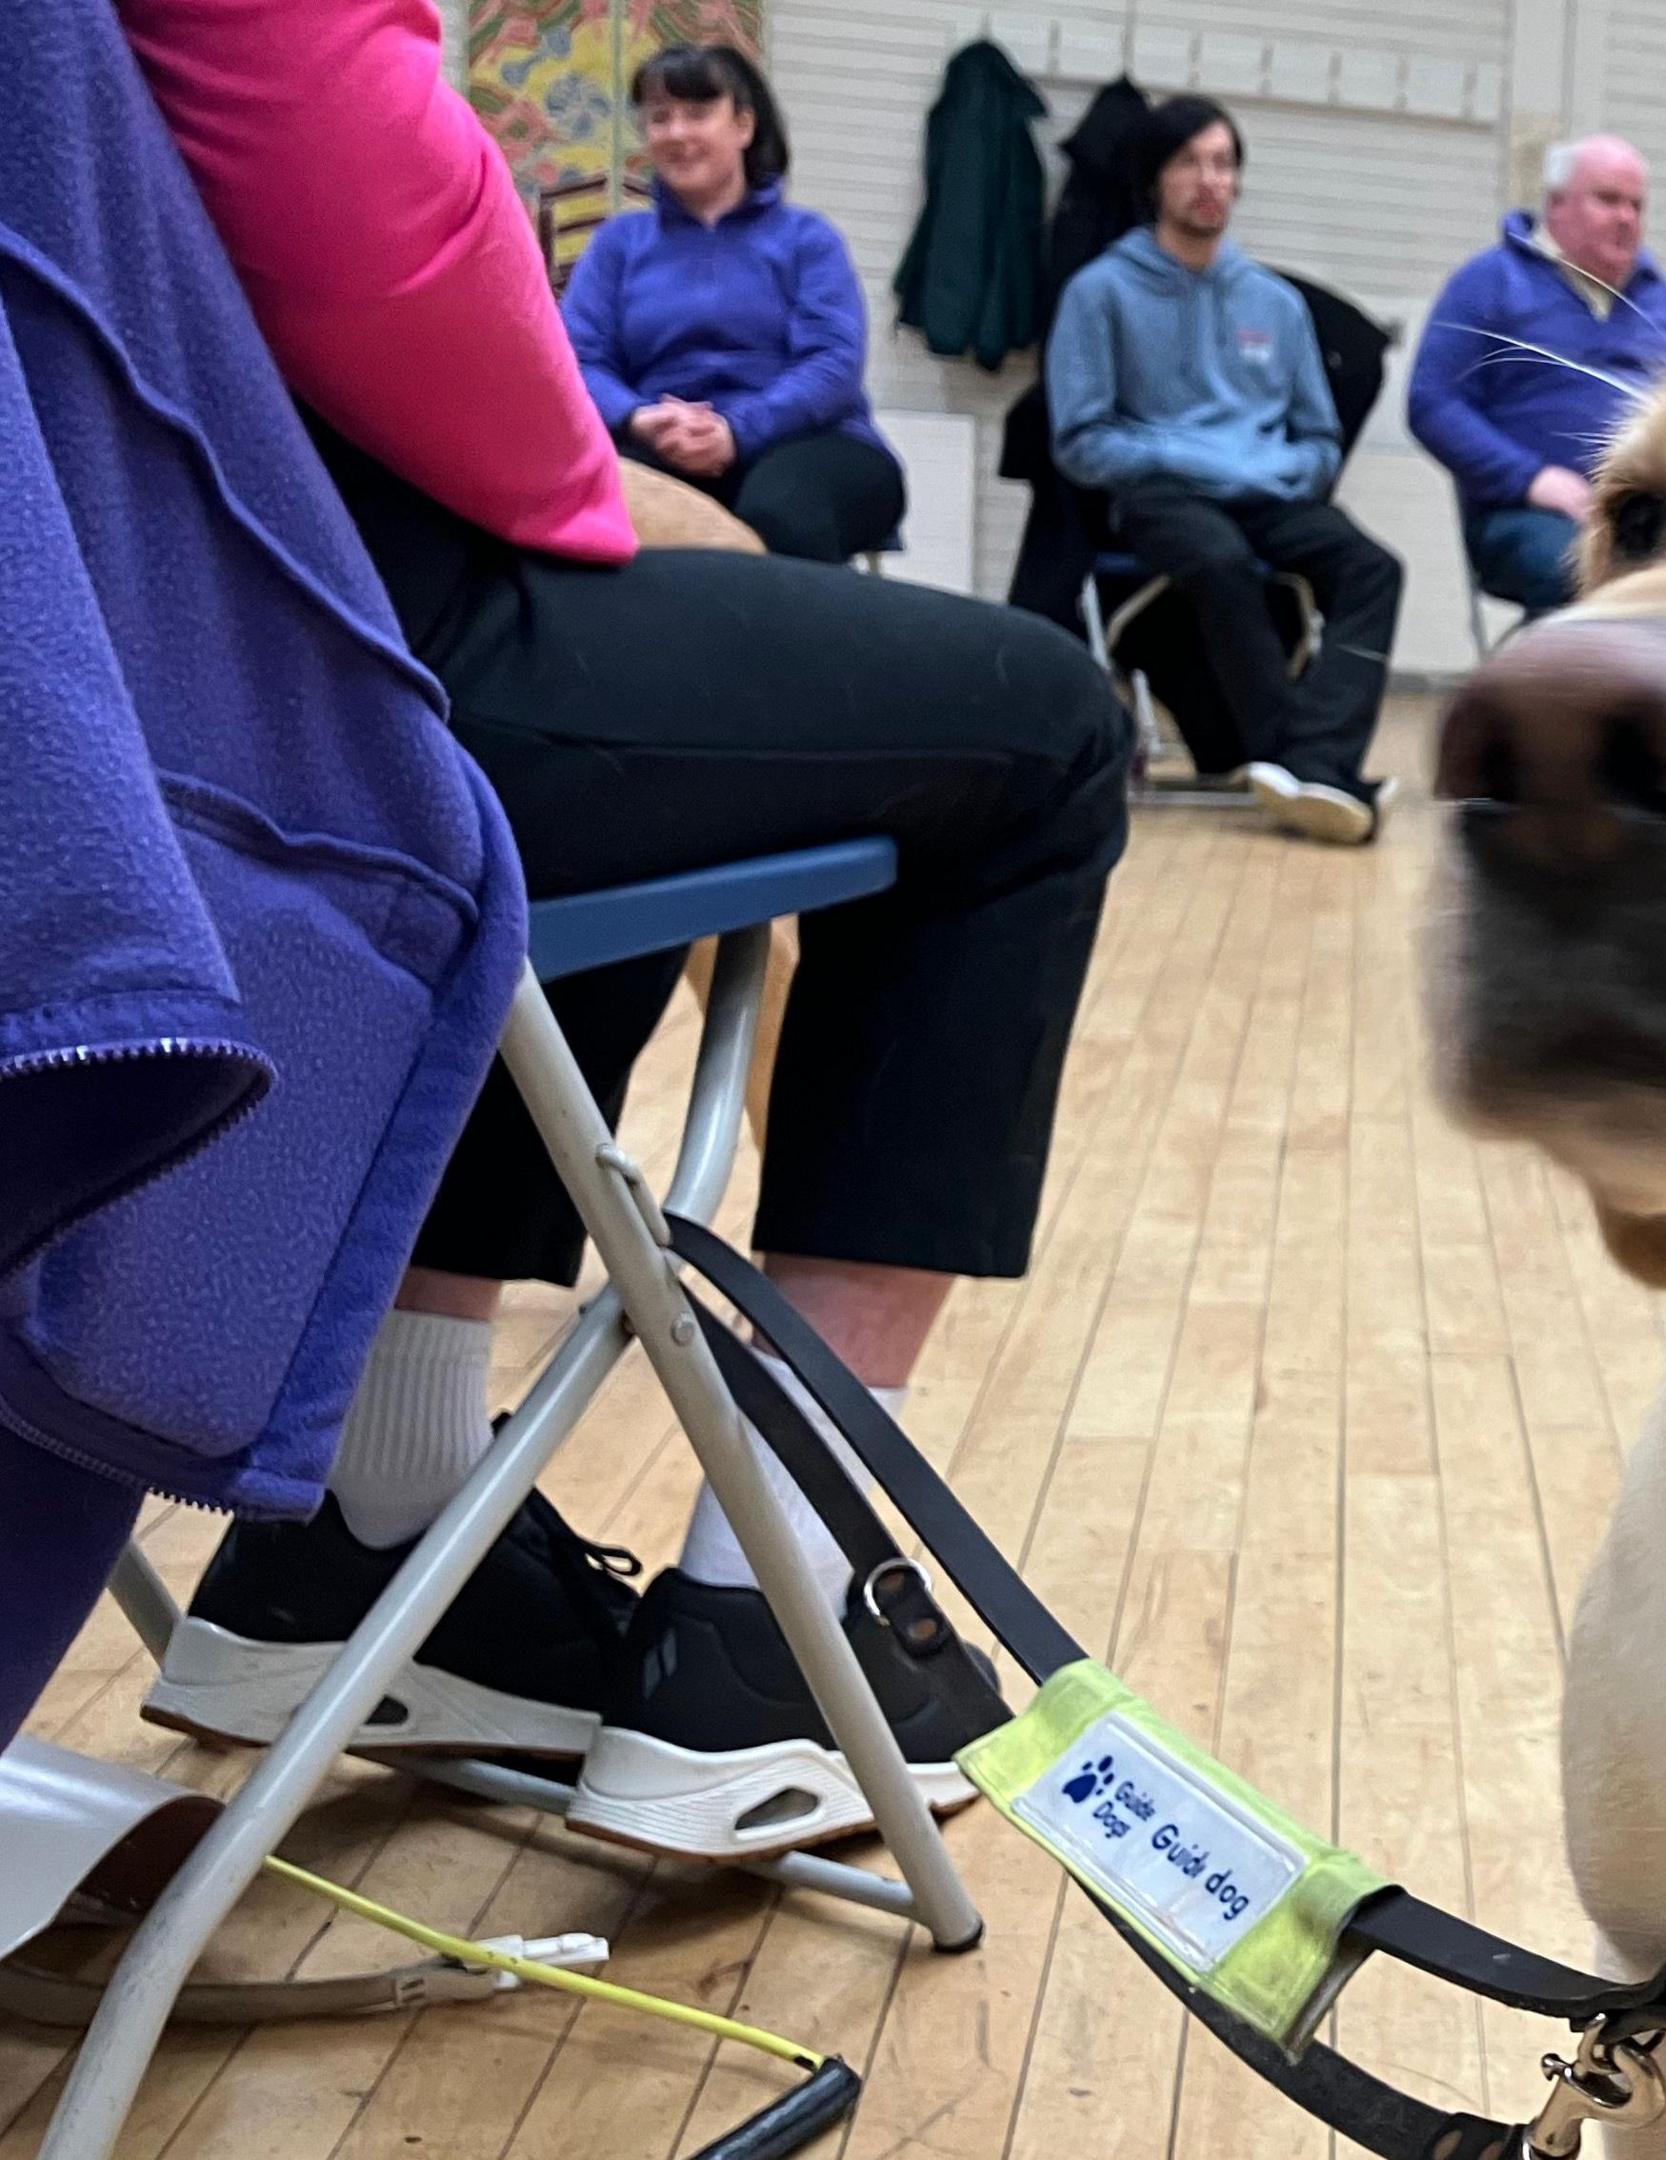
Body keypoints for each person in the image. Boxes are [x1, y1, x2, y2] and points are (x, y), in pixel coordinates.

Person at [108, 0, 1134, 1860]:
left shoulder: (796, 247)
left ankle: (369, 1531)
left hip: (106, 662)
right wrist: (600, 501)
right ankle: (775, 1626)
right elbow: (353, 193)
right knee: (1049, 728)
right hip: (295, 631)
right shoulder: (628, 248)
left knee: (629, 753)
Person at [1048, 96, 1402, 844]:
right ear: (1156, 181)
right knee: (1220, 560)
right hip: (1161, 494)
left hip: (1266, 488)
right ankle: (1298, 762)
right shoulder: (1100, 293)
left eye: (1224, 163)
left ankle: (1317, 760)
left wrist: (1281, 472)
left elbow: (1317, 440)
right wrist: (1193, 458)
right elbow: (1081, 440)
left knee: (1374, 566)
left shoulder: (1274, 303)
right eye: (1190, 163)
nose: (1210, 180)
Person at [560, 44, 903, 564]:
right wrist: (637, 418)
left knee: (783, 513)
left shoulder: (808, 240)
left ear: (744, 126)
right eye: (660, 117)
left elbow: (833, 363)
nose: (676, 133)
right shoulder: (618, 244)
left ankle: (806, 647)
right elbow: (576, 360)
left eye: (697, 114)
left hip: (808, 441)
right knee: (596, 511)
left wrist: (738, 431)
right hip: (659, 443)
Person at [1409, 135, 1666, 616]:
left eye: (1637, 205)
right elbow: (1432, 403)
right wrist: (1531, 478)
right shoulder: (1490, 283)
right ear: (1556, 204)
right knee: (1587, 575)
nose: (1626, 218)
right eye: (1608, 200)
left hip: (1642, 514)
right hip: (1528, 513)